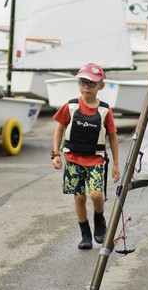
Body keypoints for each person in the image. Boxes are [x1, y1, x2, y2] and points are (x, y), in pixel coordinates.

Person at [51, 63, 120, 249]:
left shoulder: (105, 110)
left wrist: (115, 164)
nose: (86, 87)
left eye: (91, 83)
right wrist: (55, 153)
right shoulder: (71, 106)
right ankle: (85, 234)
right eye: (82, 82)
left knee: (96, 195)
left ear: (101, 86)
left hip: (96, 159)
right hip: (73, 158)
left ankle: (99, 219)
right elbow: (59, 129)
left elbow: (113, 137)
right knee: (79, 197)